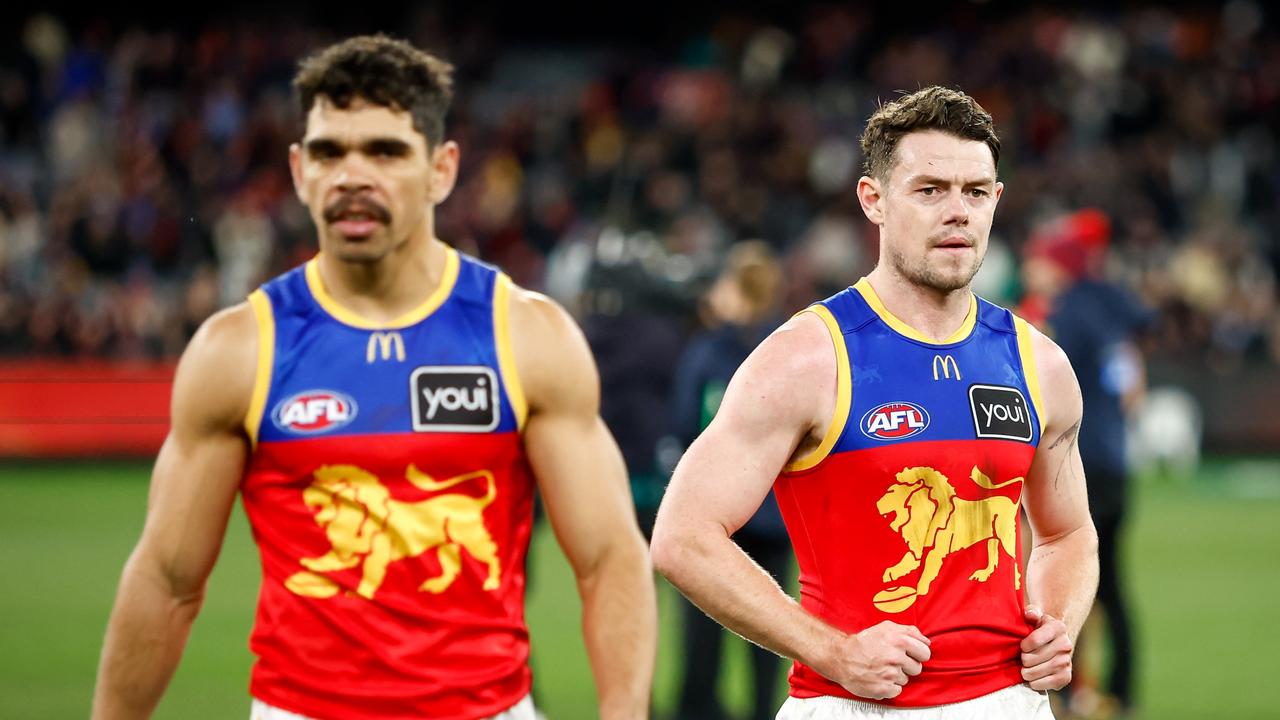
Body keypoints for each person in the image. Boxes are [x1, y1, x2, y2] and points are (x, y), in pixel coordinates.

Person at [92, 35, 656, 720]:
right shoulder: (239, 350)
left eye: (385, 151)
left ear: (442, 170)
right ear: (299, 171)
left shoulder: (525, 336)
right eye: (330, 152)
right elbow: (167, 581)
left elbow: (610, 560)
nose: (351, 175)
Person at [650, 86, 1099, 719]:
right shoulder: (807, 358)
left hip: (1009, 704)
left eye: (975, 192)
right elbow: (682, 537)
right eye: (930, 189)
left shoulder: (1039, 364)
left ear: (996, 201)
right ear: (874, 200)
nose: (958, 212)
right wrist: (831, 651)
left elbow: (1067, 531)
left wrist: (1059, 620)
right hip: (853, 705)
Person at [1022, 210, 1149, 719]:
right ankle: (1118, 690)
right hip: (1117, 464)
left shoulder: (1061, 315)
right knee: (1111, 584)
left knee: (1059, 575)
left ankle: (1072, 690)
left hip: (1074, 462)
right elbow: (1133, 390)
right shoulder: (1109, 314)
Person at [668, 241, 793, 720]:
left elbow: (682, 424)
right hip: (773, 518)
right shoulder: (787, 349)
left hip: (714, 520)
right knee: (772, 638)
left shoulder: (706, 352)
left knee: (702, 640)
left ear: (736, 289)